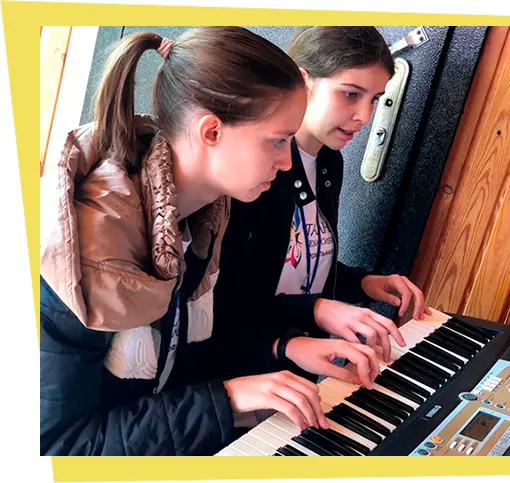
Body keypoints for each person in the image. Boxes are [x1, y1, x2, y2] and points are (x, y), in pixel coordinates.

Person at [39, 27, 380, 457]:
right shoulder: (81, 251)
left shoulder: (205, 218)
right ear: (211, 132)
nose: (287, 161)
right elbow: (61, 447)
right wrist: (229, 397)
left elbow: (202, 348)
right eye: (277, 141)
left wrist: (280, 351)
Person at [213, 27, 432, 386]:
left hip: (299, 368)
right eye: (351, 94)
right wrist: (316, 310)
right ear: (303, 81)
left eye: (375, 99)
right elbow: (228, 294)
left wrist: (363, 283)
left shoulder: (329, 161)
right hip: (245, 373)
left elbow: (299, 265)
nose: (364, 115)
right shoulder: (258, 169)